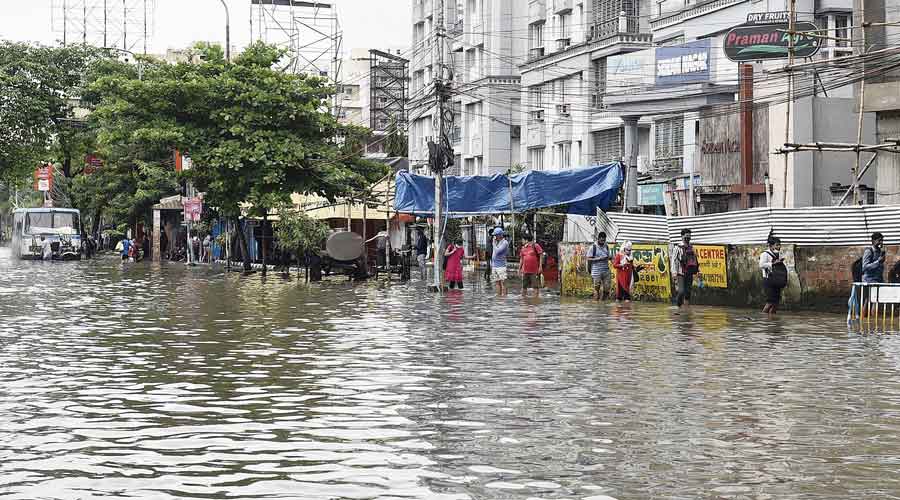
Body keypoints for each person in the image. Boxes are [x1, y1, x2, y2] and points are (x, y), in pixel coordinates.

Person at [759, 236, 788, 314]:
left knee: (776, 303)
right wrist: (772, 263)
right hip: (768, 280)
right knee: (770, 302)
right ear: (771, 245)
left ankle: (772, 320)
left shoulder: (778, 254)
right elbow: (761, 265)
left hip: (776, 280)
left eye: (779, 245)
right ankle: (764, 319)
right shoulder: (765, 254)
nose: (779, 247)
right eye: (777, 245)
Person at [672, 228, 699, 307]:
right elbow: (673, 260)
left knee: (688, 292)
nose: (688, 238)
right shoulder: (678, 247)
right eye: (686, 236)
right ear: (682, 236)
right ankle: (678, 307)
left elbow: (695, 259)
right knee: (681, 292)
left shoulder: (692, 247)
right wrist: (674, 272)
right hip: (680, 273)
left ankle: (686, 309)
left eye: (689, 236)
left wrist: (698, 270)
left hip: (689, 272)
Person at [586, 232, 612, 301]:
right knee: (596, 289)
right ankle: (596, 305)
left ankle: (603, 305)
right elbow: (588, 259)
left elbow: (609, 256)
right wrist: (598, 259)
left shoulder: (606, 246)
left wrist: (609, 257)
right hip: (596, 270)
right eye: (601, 240)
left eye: (604, 240)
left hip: (606, 270)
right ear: (598, 239)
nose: (603, 242)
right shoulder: (593, 247)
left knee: (607, 289)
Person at [491, 227, 509, 296]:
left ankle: (504, 297)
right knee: (497, 282)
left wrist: (493, 243)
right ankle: (499, 297)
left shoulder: (505, 243)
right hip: (494, 265)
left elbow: (498, 251)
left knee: (503, 282)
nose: (494, 237)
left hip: (501, 266)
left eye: (495, 235)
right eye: (494, 235)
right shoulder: (496, 242)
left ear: (500, 235)